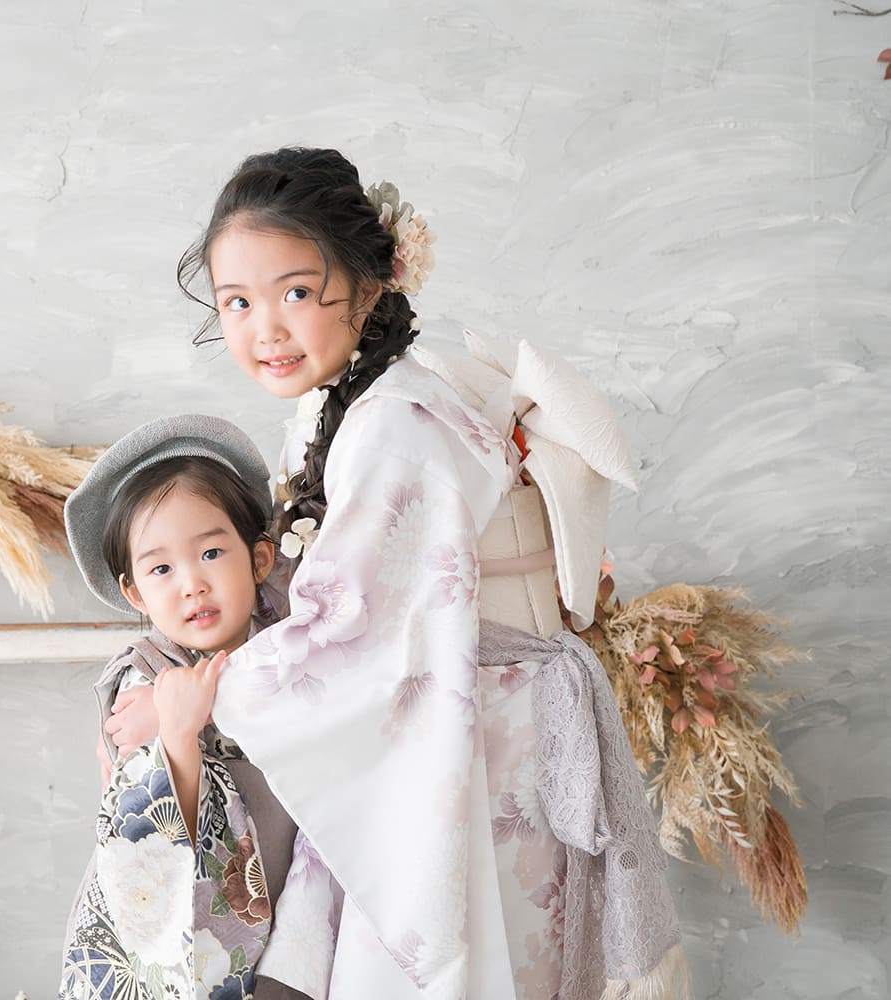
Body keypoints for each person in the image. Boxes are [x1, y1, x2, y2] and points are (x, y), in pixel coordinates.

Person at [107, 147, 686, 999]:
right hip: (470, 715)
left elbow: (354, 628)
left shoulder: (393, 424)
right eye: (237, 302)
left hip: (483, 732)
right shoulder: (354, 406)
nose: (265, 329)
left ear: (371, 286)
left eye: (296, 293)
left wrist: (190, 700)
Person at [57, 415, 323, 1000]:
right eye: (161, 568)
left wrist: (217, 704)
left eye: (211, 552)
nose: (191, 584)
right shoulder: (144, 679)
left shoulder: (292, 644)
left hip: (294, 900)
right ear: (134, 592)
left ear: (259, 560)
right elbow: (138, 832)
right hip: (192, 930)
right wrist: (176, 736)